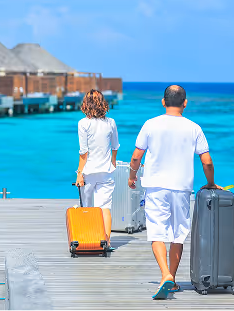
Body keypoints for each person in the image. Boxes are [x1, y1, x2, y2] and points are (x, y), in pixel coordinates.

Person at [128, 85, 223, 299]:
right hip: (181, 188)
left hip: (155, 186)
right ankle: (171, 277)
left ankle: (165, 275)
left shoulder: (150, 124)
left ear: (163, 102)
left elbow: (136, 157)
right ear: (185, 103)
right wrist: (210, 183)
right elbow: (206, 161)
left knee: (157, 231)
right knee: (178, 233)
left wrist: (132, 176)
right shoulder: (194, 128)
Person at [75, 89, 120, 251]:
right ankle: (106, 242)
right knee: (105, 207)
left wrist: (79, 173)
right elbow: (115, 146)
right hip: (106, 171)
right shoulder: (111, 122)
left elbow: (83, 152)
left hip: (88, 172)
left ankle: (87, 240)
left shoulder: (83, 123)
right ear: (103, 103)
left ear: (86, 104)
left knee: (86, 208)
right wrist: (112, 162)